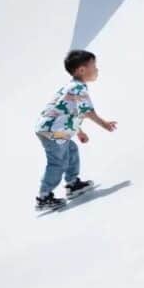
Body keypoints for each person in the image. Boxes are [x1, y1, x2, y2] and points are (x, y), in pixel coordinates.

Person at [34, 50, 117, 210]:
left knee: (71, 149)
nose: (97, 70)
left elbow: (67, 113)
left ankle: (72, 184)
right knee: (57, 162)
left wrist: (79, 132)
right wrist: (104, 123)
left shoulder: (71, 87)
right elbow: (87, 111)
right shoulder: (78, 88)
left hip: (53, 129)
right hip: (51, 131)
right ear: (82, 70)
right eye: (94, 66)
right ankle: (43, 197)